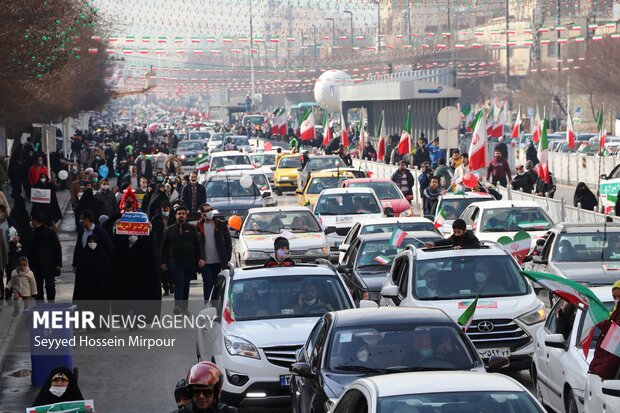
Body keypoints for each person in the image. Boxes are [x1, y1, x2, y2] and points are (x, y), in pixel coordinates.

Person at [160, 205, 202, 314]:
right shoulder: (169, 230)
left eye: (183, 214)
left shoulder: (192, 229)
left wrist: (200, 259)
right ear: (176, 216)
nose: (181, 216)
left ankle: (184, 308)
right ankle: (178, 307)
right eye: (179, 214)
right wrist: (163, 262)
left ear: (186, 215)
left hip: (189, 262)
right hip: (174, 262)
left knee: (186, 285)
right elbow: (163, 247)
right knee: (179, 283)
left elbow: (197, 245)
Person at [196, 204, 232, 301]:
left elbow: (228, 242)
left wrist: (226, 257)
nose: (210, 212)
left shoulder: (220, 225)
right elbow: (196, 245)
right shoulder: (198, 226)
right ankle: (208, 307)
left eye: (211, 210)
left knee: (218, 285)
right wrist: (199, 259)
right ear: (202, 213)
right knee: (208, 284)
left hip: (219, 261)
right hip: (205, 262)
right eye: (207, 211)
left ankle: (217, 307)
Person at [588, 280, 620, 380]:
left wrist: (601, 322)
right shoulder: (614, 311)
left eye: (619, 296)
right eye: (614, 297)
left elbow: (616, 330)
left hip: (612, 357)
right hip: (607, 354)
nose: (617, 299)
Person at [30, 213, 62, 303]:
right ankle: (40, 306)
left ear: (36, 221)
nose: (31, 222)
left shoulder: (49, 232)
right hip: (37, 266)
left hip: (49, 265)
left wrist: (58, 263)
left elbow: (57, 247)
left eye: (32, 220)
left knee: (50, 285)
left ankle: (51, 303)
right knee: (38, 288)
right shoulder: (33, 233)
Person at [73, 234, 111, 302]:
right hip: (86, 287)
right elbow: (80, 274)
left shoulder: (102, 255)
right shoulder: (83, 255)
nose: (92, 243)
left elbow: (106, 271)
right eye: (90, 241)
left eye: (94, 241)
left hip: (99, 285)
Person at [152, 200, 174, 296]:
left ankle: (172, 285)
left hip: (171, 245)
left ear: (170, 208)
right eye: (164, 209)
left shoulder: (173, 218)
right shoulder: (156, 219)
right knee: (162, 267)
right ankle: (166, 287)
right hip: (159, 245)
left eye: (167, 208)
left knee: (171, 266)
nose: (165, 210)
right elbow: (152, 233)